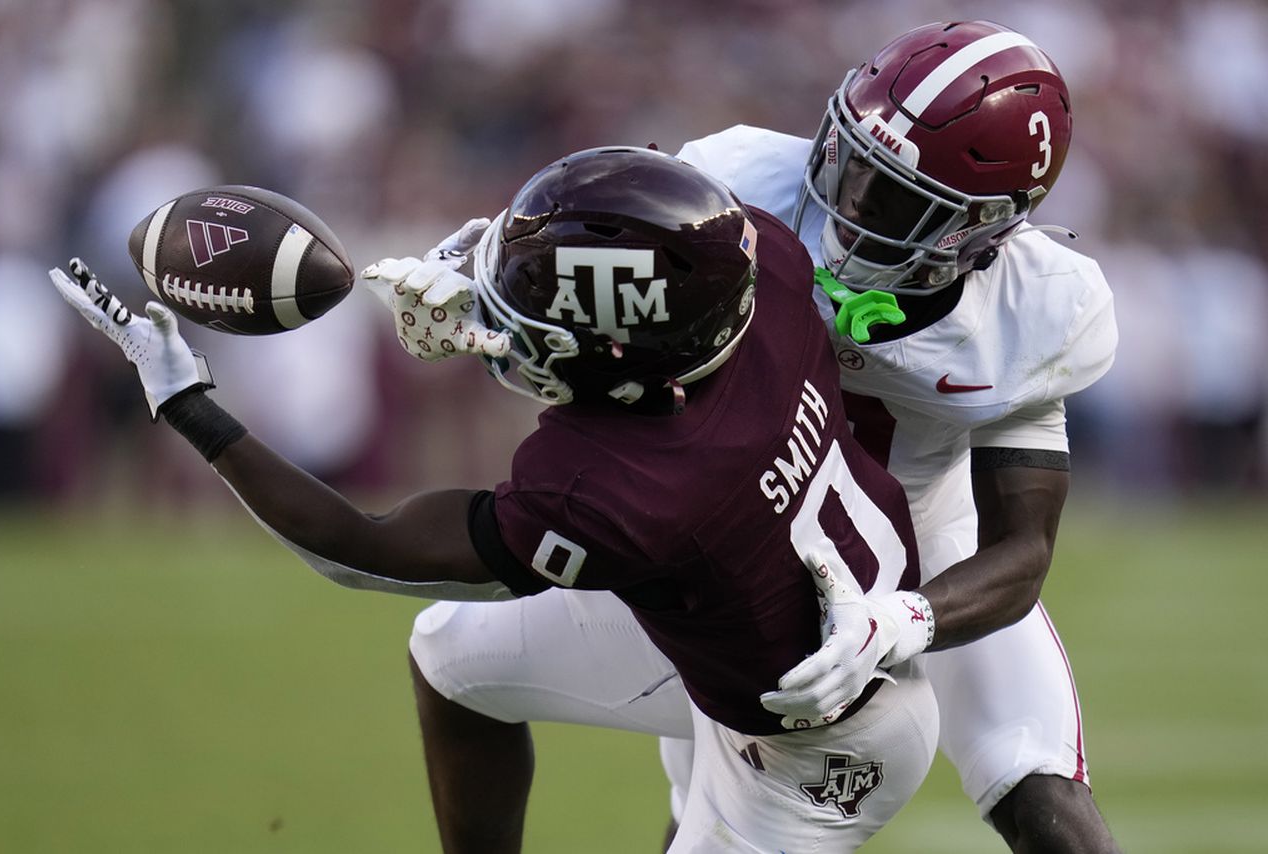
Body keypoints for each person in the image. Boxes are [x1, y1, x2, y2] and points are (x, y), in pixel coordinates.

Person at [50, 146, 941, 852]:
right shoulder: (761, 264)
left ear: (619, 363)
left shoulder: (627, 489)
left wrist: (189, 407)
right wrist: (488, 283)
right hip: (768, 617)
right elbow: (624, 287)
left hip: (820, 745)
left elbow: (362, 549)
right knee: (456, 656)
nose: (509, 333)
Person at [399, 20, 1121, 853]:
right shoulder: (740, 181)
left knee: (1045, 799)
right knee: (477, 663)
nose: (847, 204)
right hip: (731, 543)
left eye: (891, 198)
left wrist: (905, 618)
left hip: (925, 545)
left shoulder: (1039, 310)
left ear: (985, 228)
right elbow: (596, 246)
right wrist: (487, 274)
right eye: (850, 160)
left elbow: (1023, 547)